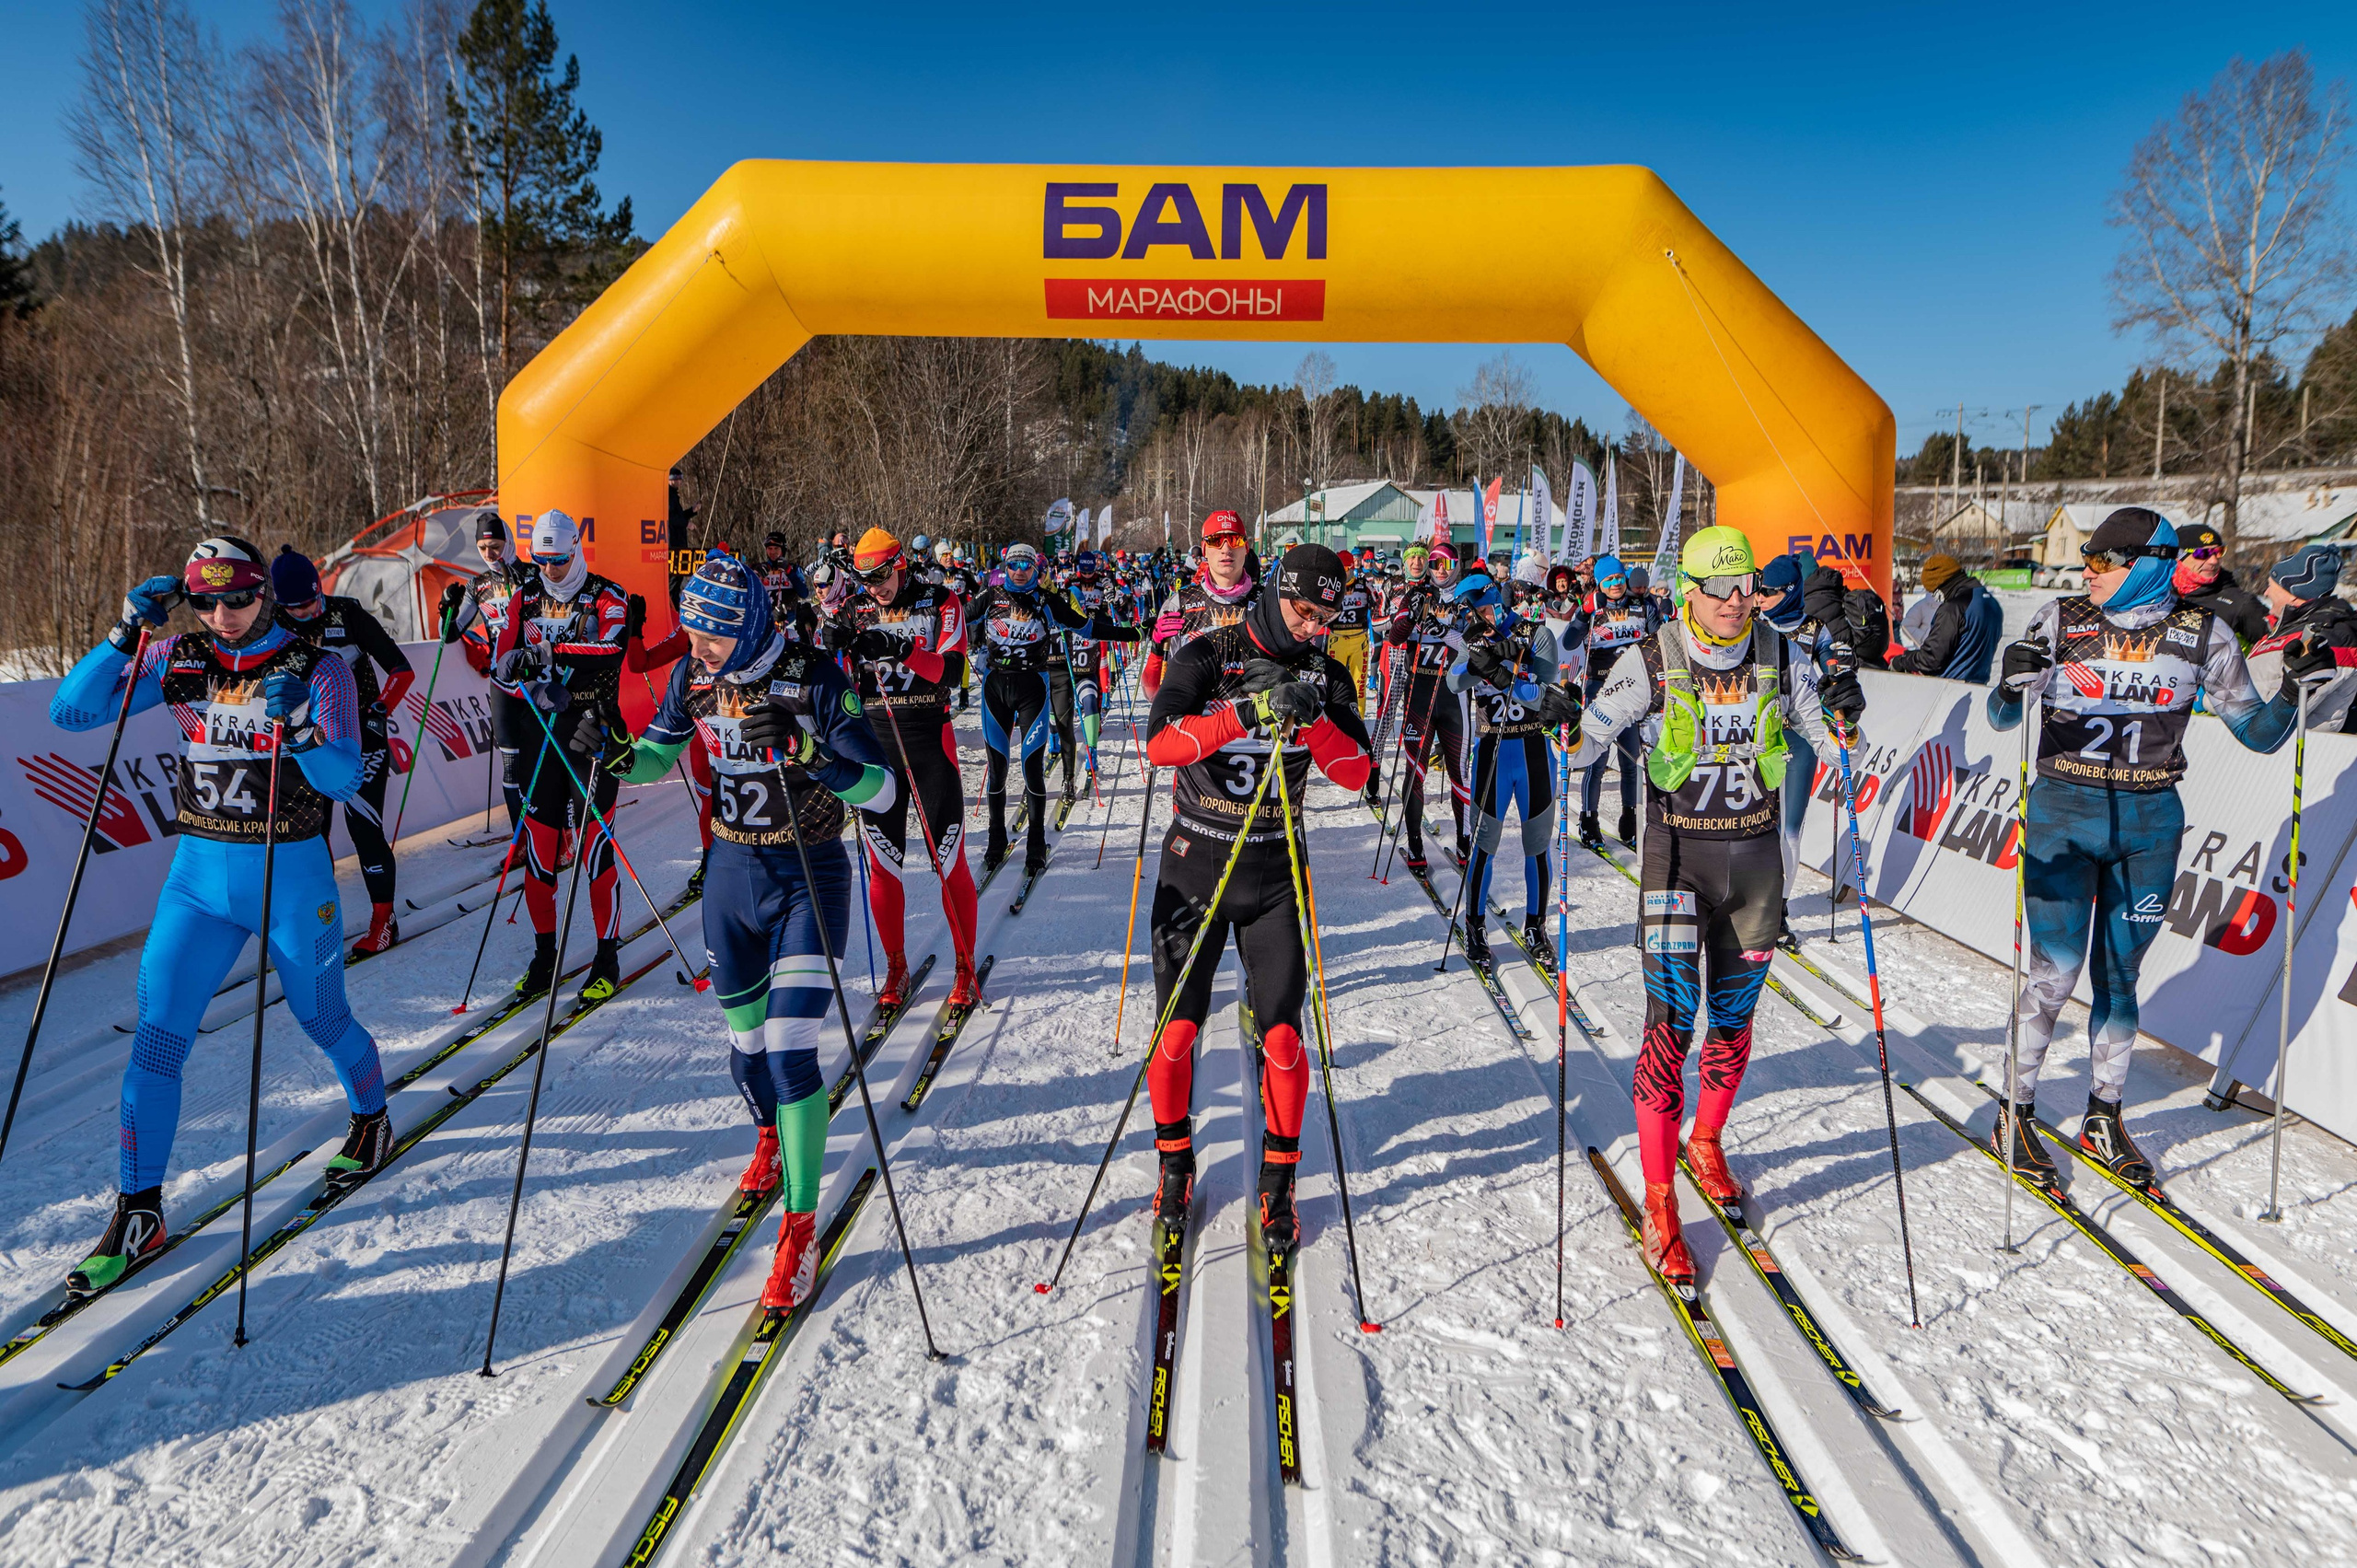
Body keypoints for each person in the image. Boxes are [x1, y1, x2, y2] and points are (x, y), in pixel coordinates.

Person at [51, 537, 393, 1292]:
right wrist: (121, 635)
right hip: (199, 880)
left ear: (262, 593)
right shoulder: (177, 658)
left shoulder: (315, 665)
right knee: (157, 1038)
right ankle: (138, 1211)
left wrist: (300, 728)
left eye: (236, 597)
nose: (221, 614)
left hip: (291, 875)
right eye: (204, 601)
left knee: (322, 1018)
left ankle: (372, 1117)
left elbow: (341, 777)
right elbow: (70, 710)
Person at [1991, 506, 2321, 1186]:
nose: (2090, 570)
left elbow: (2257, 734)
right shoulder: (2062, 619)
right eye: (2087, 558)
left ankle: (2103, 1115)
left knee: (2120, 978)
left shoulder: (2203, 633)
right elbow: (2002, 716)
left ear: (2145, 563)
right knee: (2054, 975)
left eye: (2104, 560)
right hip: (2064, 812)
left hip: (2150, 825)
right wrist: (2007, 679)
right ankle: (2015, 1110)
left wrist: (2292, 690)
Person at [1560, 527, 1853, 1286]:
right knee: (1669, 1028)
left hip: (1755, 863)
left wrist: (1844, 717)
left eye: (1745, 585)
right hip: (1677, 859)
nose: (1735, 601)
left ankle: (1707, 1139)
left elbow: (1825, 731)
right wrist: (1566, 725)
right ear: (1686, 590)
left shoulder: (1779, 652)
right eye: (1719, 588)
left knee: (1735, 1020)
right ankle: (1661, 1201)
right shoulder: (1651, 657)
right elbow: (1586, 742)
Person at [615, 554, 897, 1309]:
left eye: (710, 636)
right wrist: (613, 754)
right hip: (731, 878)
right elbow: (653, 756)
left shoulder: (813, 677)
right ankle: (769, 1136)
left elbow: (882, 787)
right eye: (692, 633)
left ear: (745, 629)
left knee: (789, 1048)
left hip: (809, 875)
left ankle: (799, 1231)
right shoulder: (695, 678)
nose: (696, 647)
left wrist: (808, 750)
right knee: (746, 1053)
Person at [1143, 544, 1374, 1251]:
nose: (1314, 628)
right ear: (1276, 593)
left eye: (1328, 618)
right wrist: (1247, 714)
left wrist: (1314, 722)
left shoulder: (1328, 672)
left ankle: (1279, 1183)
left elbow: (1358, 773)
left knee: (1280, 1038)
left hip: (1275, 872)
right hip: (1197, 860)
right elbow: (1158, 744)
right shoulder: (1210, 652)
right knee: (1177, 1033)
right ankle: (1175, 1165)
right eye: (1305, 613)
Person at [824, 527, 983, 1009]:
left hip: (930, 740)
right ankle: (895, 966)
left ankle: (964, 964)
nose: (874, 589)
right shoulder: (854, 607)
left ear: (900, 565)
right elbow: (826, 679)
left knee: (948, 860)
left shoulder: (940, 601)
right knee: (882, 863)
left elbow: (953, 672)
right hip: (875, 747)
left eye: (881, 578)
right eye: (865, 580)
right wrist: (832, 648)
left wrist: (900, 650)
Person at [487, 509, 634, 1003]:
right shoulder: (524, 598)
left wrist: (551, 655)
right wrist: (514, 668)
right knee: (540, 848)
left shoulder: (607, 594)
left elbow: (610, 650)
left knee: (595, 846)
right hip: (539, 732)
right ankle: (545, 953)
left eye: (558, 560)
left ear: (576, 550)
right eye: (541, 560)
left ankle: (606, 956)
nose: (549, 570)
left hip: (591, 731)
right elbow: (500, 664)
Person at [273, 546, 416, 955]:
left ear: (321, 590)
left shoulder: (347, 612)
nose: (302, 614)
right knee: (310, 838)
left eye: (309, 604)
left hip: (360, 742)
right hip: (306, 746)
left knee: (365, 831)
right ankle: (321, 922)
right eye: (292, 608)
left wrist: (380, 708)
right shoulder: (270, 625)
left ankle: (383, 921)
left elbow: (401, 668)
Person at [969, 543, 1129, 876]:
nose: (1019, 572)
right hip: (995, 688)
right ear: (1005, 568)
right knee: (997, 770)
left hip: (1033, 689)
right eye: (1013, 566)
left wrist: (1132, 633)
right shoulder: (991, 596)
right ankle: (995, 840)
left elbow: (1087, 627)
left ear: (1036, 570)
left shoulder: (1047, 600)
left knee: (1032, 768)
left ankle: (1035, 844)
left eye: (1026, 566)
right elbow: (952, 616)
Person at [1446, 574, 1576, 961]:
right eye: (1475, 613)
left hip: (1534, 749)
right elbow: (1454, 681)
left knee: (1536, 847)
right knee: (1483, 847)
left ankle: (1536, 926)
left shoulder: (1535, 633)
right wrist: (1479, 662)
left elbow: (1547, 689)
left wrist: (1501, 670)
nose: (1483, 618)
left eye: (1486, 609)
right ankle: (1475, 926)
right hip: (1492, 752)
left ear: (1497, 603)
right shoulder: (1471, 639)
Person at [439, 511, 540, 843]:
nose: (490, 555)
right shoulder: (477, 585)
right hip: (502, 686)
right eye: (483, 549)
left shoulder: (533, 575)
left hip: (537, 682)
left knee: (542, 767)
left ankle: (559, 836)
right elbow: (449, 635)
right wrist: (446, 607)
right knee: (511, 772)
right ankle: (522, 842)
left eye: (496, 546)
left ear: (509, 542)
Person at [1378, 545, 1472, 870]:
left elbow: (1473, 648)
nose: (1440, 568)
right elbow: (1394, 636)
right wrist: (1412, 613)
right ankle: (1415, 842)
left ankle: (1464, 841)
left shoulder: (1466, 596)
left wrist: (1442, 631)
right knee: (1414, 770)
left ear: (1458, 564)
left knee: (1459, 771)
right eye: (1434, 563)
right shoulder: (1416, 594)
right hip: (1419, 693)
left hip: (1454, 696)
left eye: (1447, 562)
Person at [1562, 553, 1662, 849]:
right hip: (1600, 690)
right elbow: (1569, 642)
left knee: (1631, 760)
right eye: (1609, 580)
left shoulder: (1641, 605)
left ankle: (1629, 821)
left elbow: (1658, 639)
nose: (1616, 584)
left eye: (1619, 578)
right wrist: (1582, 613)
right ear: (1601, 583)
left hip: (1633, 691)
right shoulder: (1594, 606)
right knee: (1597, 759)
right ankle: (1589, 820)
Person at [1144, 511, 1259, 697]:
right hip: (1195, 721)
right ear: (1204, 549)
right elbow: (1153, 694)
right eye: (1216, 540)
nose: (1226, 548)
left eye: (1234, 540)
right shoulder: (1179, 604)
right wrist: (1157, 648)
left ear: (1246, 547)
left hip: (1253, 722)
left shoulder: (1267, 602)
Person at [2248, 545, 2357, 730]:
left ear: (2293, 593)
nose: (2266, 593)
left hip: (2295, 752)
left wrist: (2210, 698)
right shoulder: (2285, 628)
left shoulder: (2328, 638)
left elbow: (2275, 718)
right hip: (2258, 746)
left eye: (2270, 586)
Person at [1887, 554, 2001, 683]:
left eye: (1933, 592)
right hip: (1979, 684)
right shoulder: (1990, 602)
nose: (1936, 598)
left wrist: (1902, 661)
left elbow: (1931, 659)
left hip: (1953, 688)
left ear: (1940, 585)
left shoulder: (1954, 608)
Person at [2168, 521, 2270, 648]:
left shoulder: (2241, 604)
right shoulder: (2157, 596)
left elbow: (2275, 653)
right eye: (2202, 554)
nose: (2213, 561)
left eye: (2219, 552)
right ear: (2179, 556)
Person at [1326, 549, 1373, 716]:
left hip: (1359, 640)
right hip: (1337, 639)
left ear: (1353, 568)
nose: (1344, 573)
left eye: (1347, 569)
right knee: (1333, 682)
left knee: (1359, 684)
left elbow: (1378, 606)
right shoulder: (1331, 585)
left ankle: (1358, 719)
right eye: (1341, 569)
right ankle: (1333, 717)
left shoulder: (1364, 585)